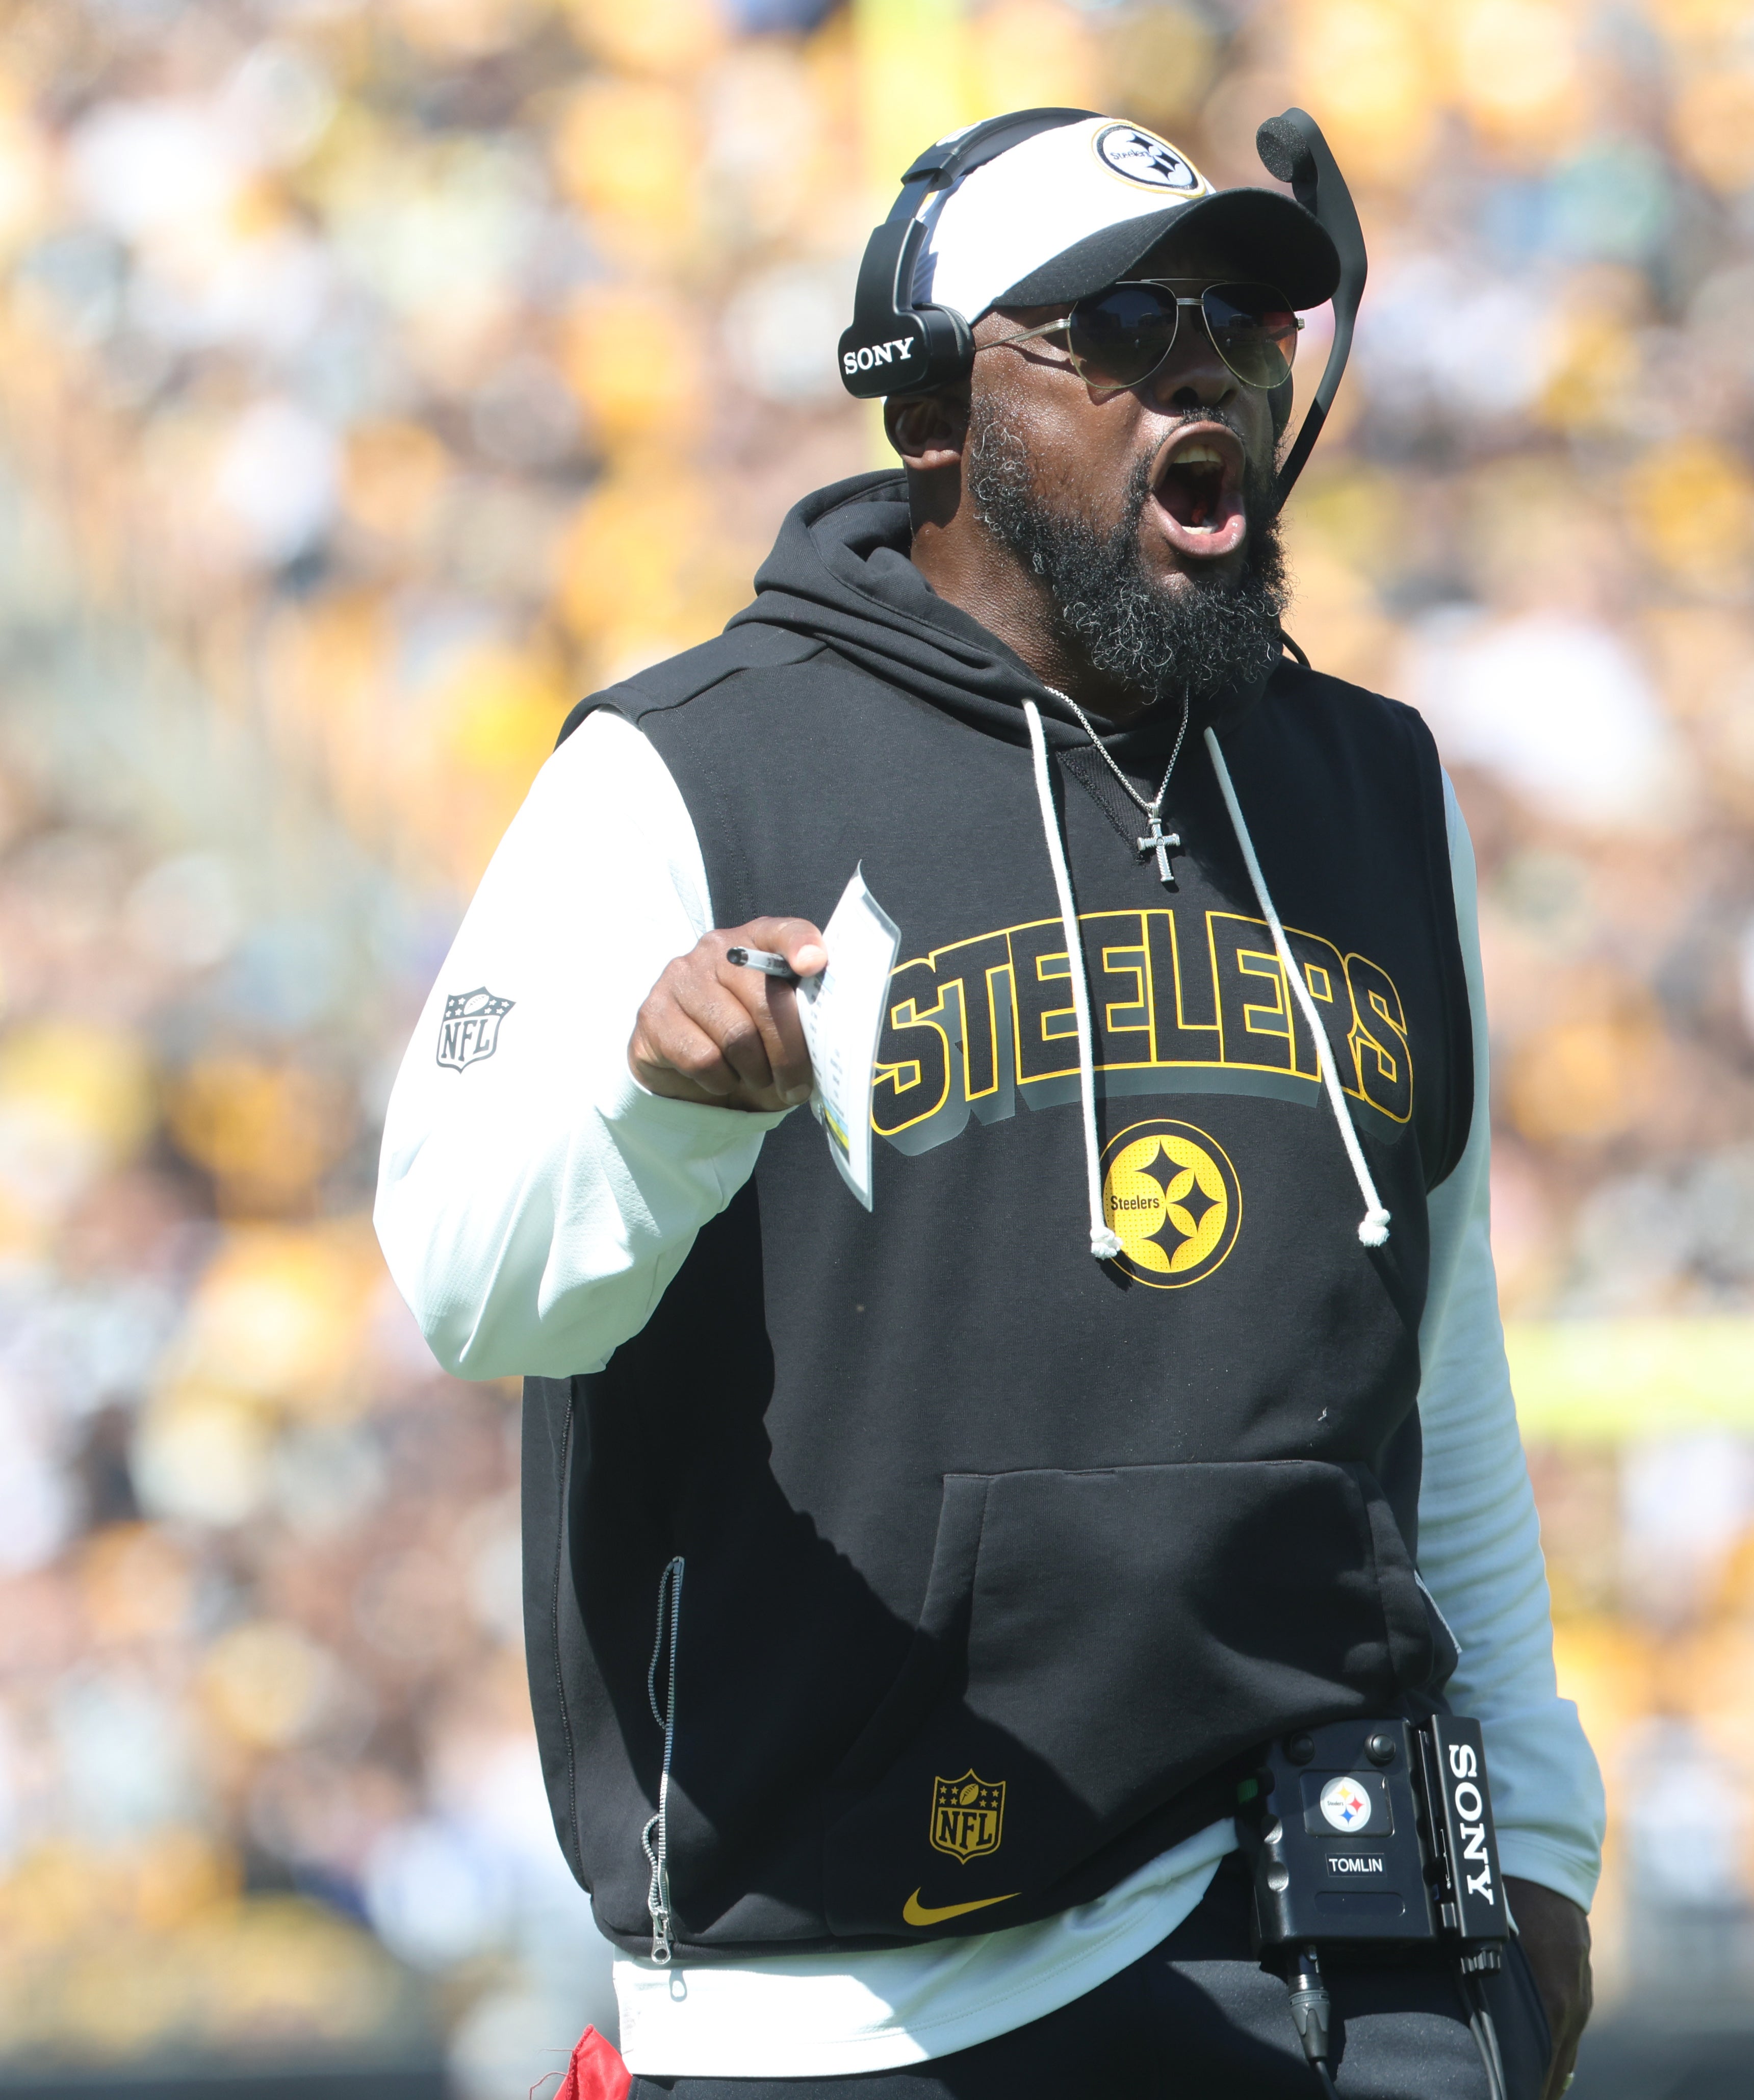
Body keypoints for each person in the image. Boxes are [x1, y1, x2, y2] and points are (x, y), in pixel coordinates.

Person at [376, 109, 1603, 2100]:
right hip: (862, 1988)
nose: (1204, 363)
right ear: (934, 410)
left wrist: (1537, 1835)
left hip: (1337, 1922)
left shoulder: (1375, 786)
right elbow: (468, 1286)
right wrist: (660, 1113)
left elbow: (1434, 1354)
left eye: (1243, 317)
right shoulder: (688, 769)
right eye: (1122, 322)